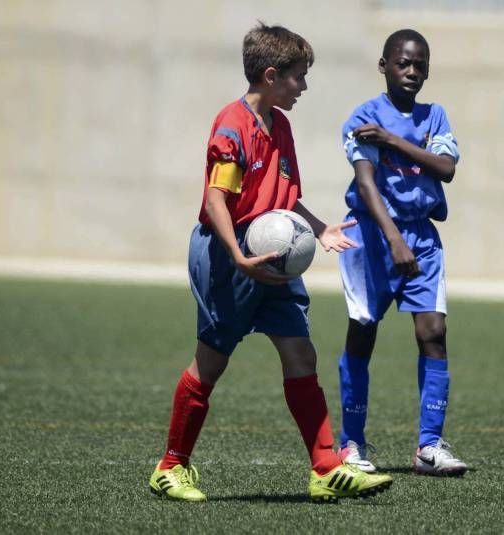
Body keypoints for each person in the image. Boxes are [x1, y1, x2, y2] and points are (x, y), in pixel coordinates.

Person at [149, 22, 393, 503]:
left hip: (277, 256)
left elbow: (287, 197)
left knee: (301, 354)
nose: (304, 86)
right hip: (230, 255)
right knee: (212, 363)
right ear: (269, 75)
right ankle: (170, 467)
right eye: (298, 77)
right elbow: (217, 199)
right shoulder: (231, 125)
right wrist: (238, 257)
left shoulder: (281, 125)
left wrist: (320, 228)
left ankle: (324, 466)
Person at [335, 29, 468, 477]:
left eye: (420, 65)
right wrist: (392, 238)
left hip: (423, 238)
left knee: (433, 332)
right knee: (363, 331)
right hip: (373, 236)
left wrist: (391, 140)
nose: (412, 71)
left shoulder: (435, 116)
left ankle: (428, 447)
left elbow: (445, 168)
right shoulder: (363, 115)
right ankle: (351, 443)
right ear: (384, 65)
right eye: (403, 63)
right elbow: (367, 183)